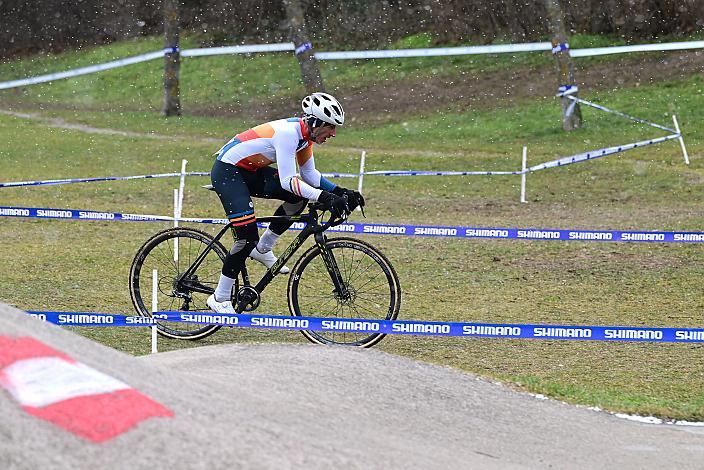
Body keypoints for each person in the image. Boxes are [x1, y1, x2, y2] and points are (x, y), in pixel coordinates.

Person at [207, 92, 365, 314]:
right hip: (228, 172)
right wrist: (324, 197)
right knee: (246, 237)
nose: (333, 133)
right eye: (330, 127)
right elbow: (289, 181)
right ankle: (220, 298)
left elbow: (309, 174)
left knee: (298, 198)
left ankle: (263, 248)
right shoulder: (288, 134)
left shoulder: (304, 138)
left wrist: (339, 191)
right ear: (316, 122)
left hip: (249, 170)